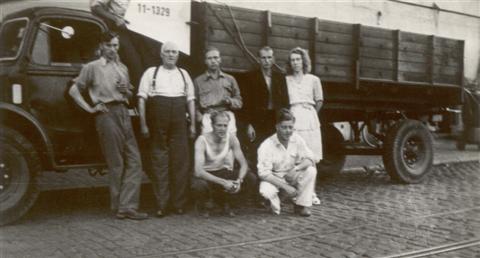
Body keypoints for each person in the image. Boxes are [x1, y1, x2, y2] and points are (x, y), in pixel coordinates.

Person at [69, 32, 148, 220]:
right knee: (116, 164)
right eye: (110, 45)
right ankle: (121, 207)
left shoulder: (123, 68)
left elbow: (128, 94)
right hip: (106, 116)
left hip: (124, 113)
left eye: (116, 46)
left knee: (135, 162)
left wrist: (126, 91)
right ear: (102, 46)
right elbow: (74, 90)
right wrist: (90, 108)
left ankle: (127, 205)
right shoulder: (92, 67)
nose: (113, 49)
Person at [137, 41, 196, 217]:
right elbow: (141, 99)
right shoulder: (150, 73)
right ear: (161, 54)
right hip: (158, 119)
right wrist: (143, 123)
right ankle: (162, 204)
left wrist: (192, 124)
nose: (171, 55)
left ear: (178, 55)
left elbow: (191, 101)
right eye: (168, 52)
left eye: (174, 52)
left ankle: (178, 203)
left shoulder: (184, 74)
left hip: (179, 120)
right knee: (159, 161)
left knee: (180, 161)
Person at [191, 111, 256, 217]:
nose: (222, 129)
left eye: (225, 125)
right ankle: (204, 204)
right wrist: (224, 182)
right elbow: (198, 171)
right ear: (212, 125)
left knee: (251, 178)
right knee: (199, 185)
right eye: (219, 125)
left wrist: (239, 180)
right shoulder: (202, 140)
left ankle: (229, 203)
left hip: (221, 172)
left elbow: (244, 164)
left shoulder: (231, 138)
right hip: (205, 175)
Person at [257, 109, 317, 217]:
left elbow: (310, 158)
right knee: (266, 192)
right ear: (277, 127)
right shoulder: (266, 145)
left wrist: (296, 169)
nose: (288, 131)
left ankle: (301, 205)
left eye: (290, 127)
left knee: (311, 171)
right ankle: (278, 199)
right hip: (274, 178)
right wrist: (286, 187)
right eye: (284, 127)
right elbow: (264, 174)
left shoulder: (297, 139)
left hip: (291, 175)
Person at [285, 47, 324, 205]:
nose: (295, 63)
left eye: (298, 59)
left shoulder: (313, 79)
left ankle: (311, 192)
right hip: (294, 117)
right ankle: (297, 192)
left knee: (311, 156)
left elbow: (319, 100)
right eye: (293, 60)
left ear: (304, 61)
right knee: (295, 156)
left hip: (309, 118)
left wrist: (311, 113)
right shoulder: (286, 80)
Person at [241, 46, 290, 169]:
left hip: (275, 119)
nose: (266, 61)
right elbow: (246, 103)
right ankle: (259, 179)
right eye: (263, 58)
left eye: (269, 58)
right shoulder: (250, 76)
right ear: (259, 59)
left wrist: (283, 121)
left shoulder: (280, 77)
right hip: (258, 120)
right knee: (258, 149)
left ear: (273, 59)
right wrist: (249, 124)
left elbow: (285, 101)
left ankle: (275, 177)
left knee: (276, 148)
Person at [90, 0, 160, 86]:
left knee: (151, 62)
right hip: (121, 30)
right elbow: (95, 7)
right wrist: (115, 19)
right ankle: (136, 93)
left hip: (144, 32)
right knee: (134, 64)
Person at [194, 46, 242, 135]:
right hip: (209, 117)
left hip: (227, 116)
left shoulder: (230, 79)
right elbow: (194, 103)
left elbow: (239, 102)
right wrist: (200, 117)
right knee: (208, 145)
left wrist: (230, 101)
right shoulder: (198, 81)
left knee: (229, 145)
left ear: (220, 59)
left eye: (216, 57)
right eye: (209, 58)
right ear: (205, 61)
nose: (213, 61)